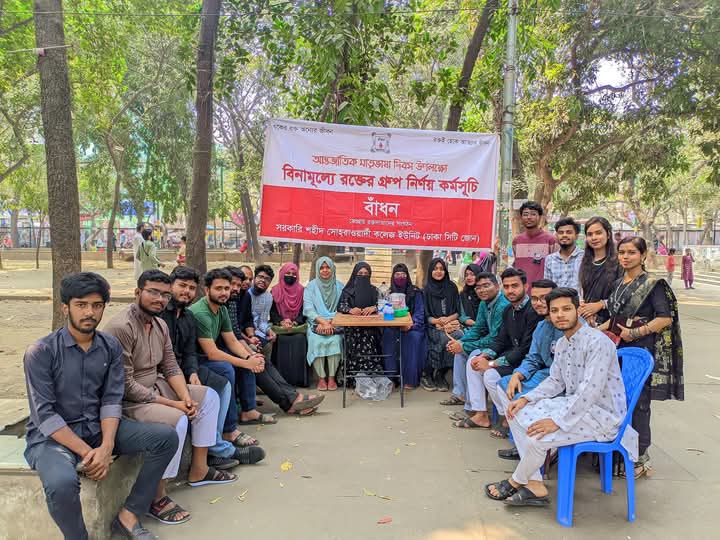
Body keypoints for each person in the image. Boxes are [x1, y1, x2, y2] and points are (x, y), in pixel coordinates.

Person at [23, 273, 177, 540]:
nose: (89, 313)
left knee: (165, 438)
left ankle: (129, 515)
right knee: (61, 484)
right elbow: (45, 415)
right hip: (52, 439)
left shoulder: (109, 346)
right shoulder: (41, 352)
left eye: (97, 305)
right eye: (81, 305)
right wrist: (89, 453)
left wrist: (106, 446)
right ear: (65, 308)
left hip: (97, 429)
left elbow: (111, 400)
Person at [104, 270, 241, 527]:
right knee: (178, 419)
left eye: (165, 295)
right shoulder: (121, 327)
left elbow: (170, 366)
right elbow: (126, 385)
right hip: (129, 401)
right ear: (137, 292)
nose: (160, 299)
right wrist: (175, 405)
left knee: (209, 398)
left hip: (157, 386)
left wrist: (186, 397)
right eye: (153, 292)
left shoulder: (160, 325)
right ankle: (157, 496)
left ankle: (199, 469)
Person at [485, 288, 628, 508]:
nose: (560, 315)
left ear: (577, 310)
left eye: (566, 309)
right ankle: (534, 483)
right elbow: (556, 381)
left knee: (536, 439)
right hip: (574, 404)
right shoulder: (562, 343)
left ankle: (517, 481)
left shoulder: (597, 342)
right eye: (555, 311)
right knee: (517, 412)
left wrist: (558, 421)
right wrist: (527, 399)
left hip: (601, 415)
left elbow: (590, 391)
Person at [601, 236, 683, 478]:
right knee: (618, 400)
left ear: (643, 255)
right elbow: (615, 319)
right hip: (618, 350)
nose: (626, 257)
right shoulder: (619, 283)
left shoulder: (653, 284)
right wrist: (592, 332)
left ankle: (639, 458)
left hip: (641, 352)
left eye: (631, 252)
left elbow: (664, 318)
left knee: (638, 403)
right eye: (622, 252)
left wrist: (635, 333)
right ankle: (618, 453)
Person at [160, 266, 260, 459]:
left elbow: (192, 350)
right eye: (182, 286)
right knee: (224, 372)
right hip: (171, 372)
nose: (186, 291)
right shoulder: (171, 315)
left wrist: (249, 358)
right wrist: (246, 362)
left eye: (191, 288)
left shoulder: (189, 315)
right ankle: (221, 445)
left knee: (227, 379)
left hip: (187, 367)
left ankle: (232, 427)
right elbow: (207, 353)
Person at [217, 267, 325, 418]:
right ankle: (290, 403)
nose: (237, 287)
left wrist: (251, 339)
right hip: (224, 348)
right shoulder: (224, 302)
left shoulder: (239, 298)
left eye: (240, 283)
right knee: (256, 362)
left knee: (261, 360)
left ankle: (292, 398)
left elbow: (244, 323)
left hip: (238, 341)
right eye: (232, 284)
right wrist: (249, 352)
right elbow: (231, 336)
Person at [454, 268, 542, 429]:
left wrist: (492, 363)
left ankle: (508, 419)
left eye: (515, 286)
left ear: (525, 286)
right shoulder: (509, 310)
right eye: (506, 286)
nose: (510, 290)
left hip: (527, 362)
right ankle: (482, 414)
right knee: (476, 362)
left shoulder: (533, 310)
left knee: (490, 375)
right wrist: (485, 356)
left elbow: (525, 349)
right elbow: (501, 339)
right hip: (511, 356)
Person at [488, 280, 561, 452]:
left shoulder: (567, 324)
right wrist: (518, 374)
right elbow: (533, 358)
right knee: (505, 385)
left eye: (544, 298)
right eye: (534, 298)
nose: (539, 303)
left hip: (561, 380)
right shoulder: (541, 326)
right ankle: (522, 444)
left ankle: (535, 448)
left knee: (523, 398)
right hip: (545, 374)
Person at [445, 272, 509, 409]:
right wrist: (460, 343)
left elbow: (495, 338)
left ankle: (474, 408)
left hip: (503, 348)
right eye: (478, 287)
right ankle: (460, 395)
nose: (482, 290)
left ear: (497, 286)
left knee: (474, 357)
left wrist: (464, 346)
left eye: (486, 285)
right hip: (492, 344)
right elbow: (478, 328)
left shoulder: (503, 305)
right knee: (460, 353)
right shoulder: (484, 304)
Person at [382, 263, 427, 389]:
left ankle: (409, 379)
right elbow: (384, 311)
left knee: (412, 337)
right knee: (388, 336)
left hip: (413, 326)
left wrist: (410, 325)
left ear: (407, 276)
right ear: (393, 276)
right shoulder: (388, 293)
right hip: (393, 326)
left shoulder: (415, 292)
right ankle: (391, 378)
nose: (400, 277)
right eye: (397, 275)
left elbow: (420, 312)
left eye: (403, 275)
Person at [304, 256, 344, 391]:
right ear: (317, 270)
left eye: (328, 267)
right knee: (316, 340)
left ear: (332, 269)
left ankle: (331, 378)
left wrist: (331, 323)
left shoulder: (339, 287)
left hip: (335, 323)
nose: (325, 270)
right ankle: (321, 378)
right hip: (316, 324)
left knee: (336, 340)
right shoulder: (310, 287)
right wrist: (322, 322)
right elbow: (308, 309)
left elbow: (343, 308)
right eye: (322, 268)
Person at [422, 257, 462, 392]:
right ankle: (428, 373)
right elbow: (426, 315)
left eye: (441, 269)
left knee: (457, 336)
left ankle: (441, 373)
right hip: (433, 325)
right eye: (435, 269)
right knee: (443, 338)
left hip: (451, 324)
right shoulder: (426, 289)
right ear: (430, 271)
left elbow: (458, 311)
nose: (438, 271)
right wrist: (438, 321)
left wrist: (447, 319)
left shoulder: (452, 287)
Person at [338, 262, 383, 374]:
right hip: (353, 327)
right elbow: (341, 306)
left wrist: (374, 308)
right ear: (354, 274)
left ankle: (370, 372)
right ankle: (355, 375)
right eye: (360, 273)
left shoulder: (374, 290)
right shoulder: (347, 291)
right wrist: (350, 310)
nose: (363, 276)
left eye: (366, 274)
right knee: (355, 339)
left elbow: (384, 305)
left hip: (372, 327)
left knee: (369, 337)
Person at [577, 217, 623, 327]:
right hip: (587, 320)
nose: (594, 238)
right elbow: (581, 293)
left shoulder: (620, 261)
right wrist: (584, 309)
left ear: (608, 234)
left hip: (612, 321)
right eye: (590, 234)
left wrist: (601, 304)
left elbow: (624, 295)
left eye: (598, 233)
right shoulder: (582, 261)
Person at [270, 262, 309, 387]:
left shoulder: (302, 291)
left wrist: (295, 321)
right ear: (282, 274)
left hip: (297, 327)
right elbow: (272, 311)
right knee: (280, 340)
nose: (290, 276)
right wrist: (282, 321)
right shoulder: (275, 290)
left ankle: (300, 380)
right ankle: (281, 380)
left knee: (300, 339)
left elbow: (304, 310)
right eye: (287, 273)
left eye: (293, 274)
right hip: (280, 327)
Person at [511, 201, 557, 291]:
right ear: (521, 217)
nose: (529, 217)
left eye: (533, 214)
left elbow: (555, 268)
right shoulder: (517, 241)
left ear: (540, 217)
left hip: (543, 292)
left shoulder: (551, 240)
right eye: (525, 214)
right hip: (522, 293)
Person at [543, 217, 583, 290]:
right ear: (556, 236)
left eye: (569, 232)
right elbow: (547, 287)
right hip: (555, 297)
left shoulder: (584, 257)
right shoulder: (550, 259)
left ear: (576, 236)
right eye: (561, 233)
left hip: (578, 297)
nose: (564, 235)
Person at [249, 264, 278, 362]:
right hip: (245, 332)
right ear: (254, 278)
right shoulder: (246, 293)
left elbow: (262, 321)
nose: (263, 280)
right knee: (255, 347)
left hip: (258, 331)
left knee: (269, 343)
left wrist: (269, 331)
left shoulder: (268, 297)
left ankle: (266, 366)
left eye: (267, 279)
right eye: (260, 277)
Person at [456, 264, 482, 333]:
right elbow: (462, 316)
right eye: (466, 275)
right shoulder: (463, 294)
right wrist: (475, 324)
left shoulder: (485, 293)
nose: (468, 277)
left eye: (472, 274)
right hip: (468, 328)